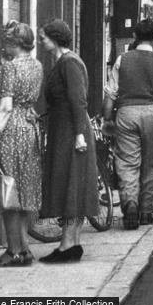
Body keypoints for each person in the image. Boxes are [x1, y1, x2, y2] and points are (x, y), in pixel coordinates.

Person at [102, 19, 153, 229]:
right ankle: (146, 211)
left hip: (126, 114)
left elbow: (111, 93)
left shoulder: (122, 60)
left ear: (135, 37)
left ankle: (130, 206)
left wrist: (107, 117)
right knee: (152, 162)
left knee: (127, 162)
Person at [38, 19, 99, 263]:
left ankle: (67, 245)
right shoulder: (66, 61)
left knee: (70, 185)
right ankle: (71, 243)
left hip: (71, 132)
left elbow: (78, 100)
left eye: (43, 37)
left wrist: (79, 135)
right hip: (66, 129)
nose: (41, 41)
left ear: (54, 39)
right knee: (72, 186)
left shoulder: (69, 62)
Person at [0, 21, 43, 267]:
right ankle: (25, 249)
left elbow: (6, 106)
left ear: (14, 44)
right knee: (22, 190)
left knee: (8, 189)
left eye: (6, 42)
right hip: (29, 128)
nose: (3, 47)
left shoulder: (10, 67)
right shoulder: (37, 65)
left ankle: (13, 252)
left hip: (11, 131)